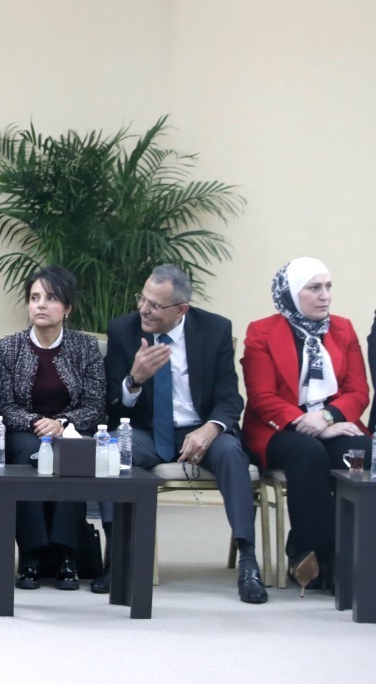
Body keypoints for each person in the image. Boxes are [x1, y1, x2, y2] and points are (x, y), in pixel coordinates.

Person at [106, 264, 264, 603]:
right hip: (147, 431)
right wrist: (134, 380)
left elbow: (229, 398)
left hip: (200, 429)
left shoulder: (215, 330)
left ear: (182, 309)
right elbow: (112, 405)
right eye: (142, 299)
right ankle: (115, 559)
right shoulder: (123, 330)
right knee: (110, 451)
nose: (144, 309)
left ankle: (248, 561)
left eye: (155, 305)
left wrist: (210, 429)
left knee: (231, 453)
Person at [241, 258, 371, 593]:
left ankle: (348, 552)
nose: (325, 295)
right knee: (309, 454)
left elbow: (359, 392)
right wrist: (309, 422)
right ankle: (323, 554)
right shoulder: (262, 331)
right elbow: (261, 397)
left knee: (360, 452)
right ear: (290, 293)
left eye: (328, 287)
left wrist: (326, 418)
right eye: (314, 288)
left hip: (333, 421)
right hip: (278, 428)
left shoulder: (343, 329)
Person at [0, 266, 104, 590]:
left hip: (70, 430)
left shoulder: (86, 347)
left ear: (67, 308)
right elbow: (2, 404)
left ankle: (66, 554)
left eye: (51, 298)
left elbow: (96, 404)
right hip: (24, 432)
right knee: (28, 453)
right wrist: (35, 423)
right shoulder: (8, 347)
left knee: (72, 455)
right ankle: (31, 554)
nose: (40, 304)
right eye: (34, 297)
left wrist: (62, 423)